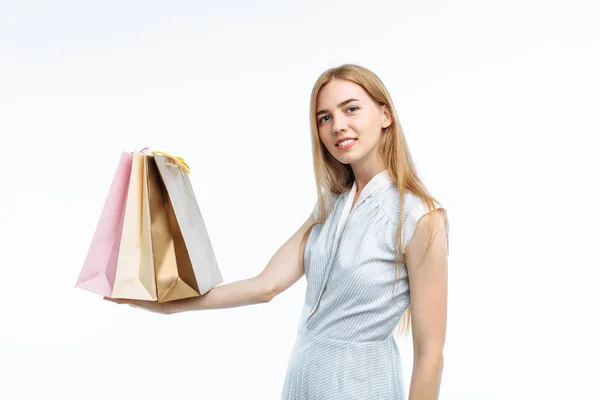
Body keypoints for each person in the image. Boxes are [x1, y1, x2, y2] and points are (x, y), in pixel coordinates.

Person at [105, 64, 450, 400]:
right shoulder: (330, 205)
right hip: (303, 379)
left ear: (385, 115)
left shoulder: (419, 217)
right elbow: (265, 285)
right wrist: (165, 305)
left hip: (362, 384)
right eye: (325, 118)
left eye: (351, 109)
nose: (338, 126)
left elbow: (430, 354)